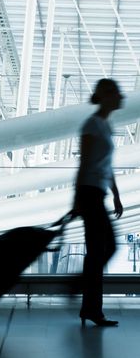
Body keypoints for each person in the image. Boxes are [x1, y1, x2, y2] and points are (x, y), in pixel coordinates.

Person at [73, 78, 124, 327]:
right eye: (116, 93)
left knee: (100, 250)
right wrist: (77, 198)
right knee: (104, 249)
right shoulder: (92, 125)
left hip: (98, 193)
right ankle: (89, 304)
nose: (120, 97)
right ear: (105, 96)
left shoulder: (105, 125)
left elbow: (106, 165)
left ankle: (88, 304)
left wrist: (115, 194)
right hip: (89, 193)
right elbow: (84, 162)